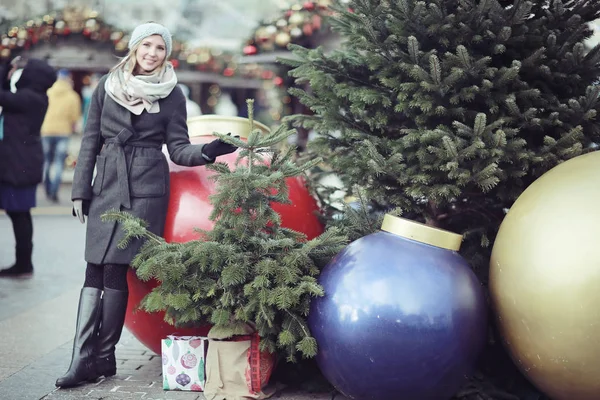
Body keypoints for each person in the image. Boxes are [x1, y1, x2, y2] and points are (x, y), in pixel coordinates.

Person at [56, 22, 238, 388]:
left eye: (160, 48)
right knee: (94, 266)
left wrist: (210, 150)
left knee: (115, 269)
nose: (153, 53)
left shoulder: (172, 96)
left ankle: (102, 356)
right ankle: (83, 359)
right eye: (147, 45)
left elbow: (179, 149)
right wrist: (81, 191)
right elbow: (90, 140)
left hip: (146, 188)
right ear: (135, 47)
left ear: (165, 54)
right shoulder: (107, 86)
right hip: (107, 181)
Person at [0, 57, 57, 278]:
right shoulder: (33, 97)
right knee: (18, 214)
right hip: (19, 164)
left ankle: (24, 265)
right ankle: (23, 264)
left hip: (19, 167)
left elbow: (4, 97)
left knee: (20, 214)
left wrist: (5, 68)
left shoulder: (30, 98)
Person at [40, 69, 82, 202]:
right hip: (63, 131)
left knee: (46, 161)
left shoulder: (48, 92)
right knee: (59, 162)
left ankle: (47, 188)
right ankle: (54, 191)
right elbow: (75, 116)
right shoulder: (72, 96)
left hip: (46, 130)